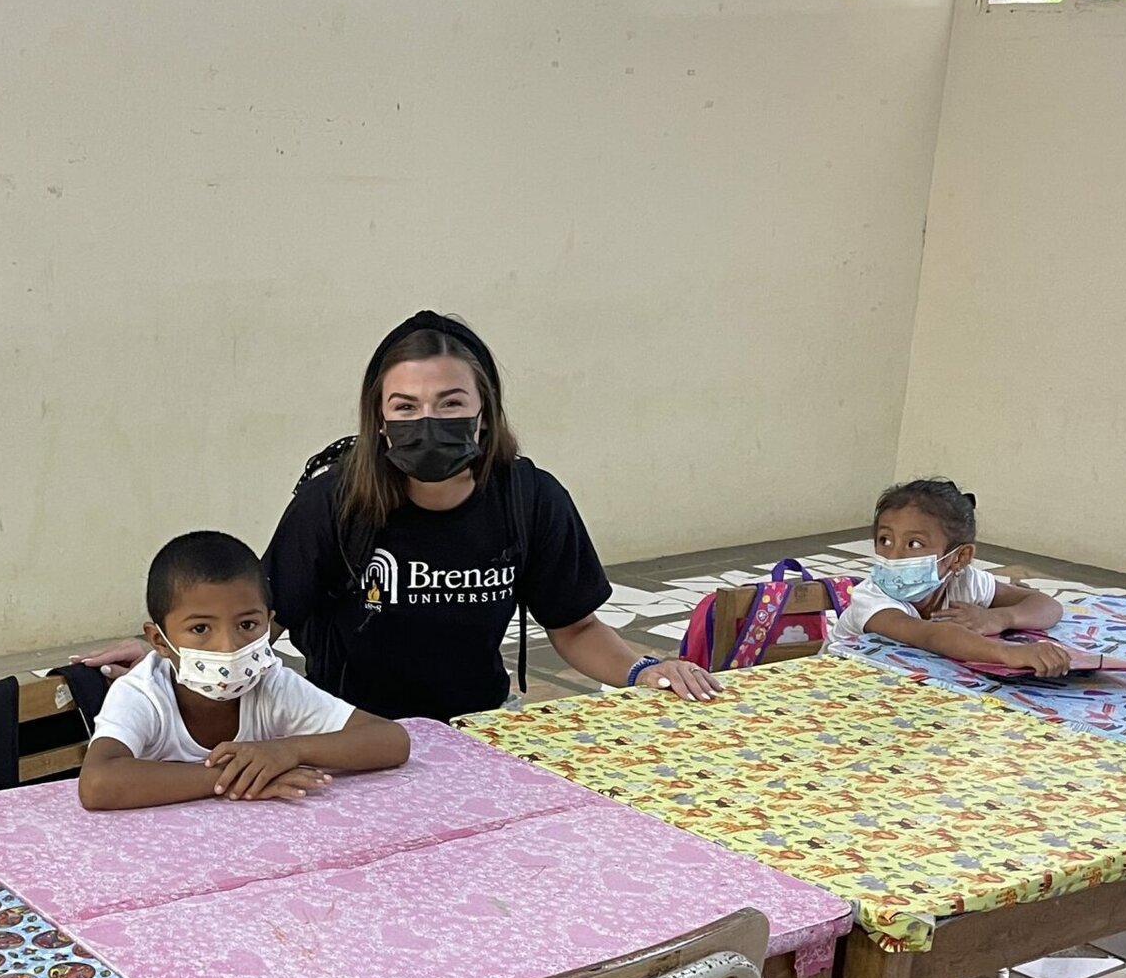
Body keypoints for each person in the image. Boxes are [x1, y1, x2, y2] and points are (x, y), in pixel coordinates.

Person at [80, 311, 718, 717]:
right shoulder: (334, 502)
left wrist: (644, 669)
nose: (427, 421)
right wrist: (165, 659)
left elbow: (574, 628)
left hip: (478, 725)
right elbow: (258, 623)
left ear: (485, 411)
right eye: (406, 407)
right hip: (346, 727)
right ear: (379, 419)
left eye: (450, 401)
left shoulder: (530, 499)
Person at [80, 531, 410, 810]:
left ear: (269, 622)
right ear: (159, 640)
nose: (229, 646)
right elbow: (97, 784)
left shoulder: (273, 685)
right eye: (200, 629)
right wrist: (239, 777)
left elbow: (390, 740)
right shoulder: (144, 693)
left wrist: (289, 750)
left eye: (247, 624)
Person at [834, 479, 1072, 677]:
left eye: (913, 544)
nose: (894, 555)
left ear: (959, 557)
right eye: (885, 540)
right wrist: (1008, 652)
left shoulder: (966, 582)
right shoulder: (871, 597)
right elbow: (930, 635)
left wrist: (999, 617)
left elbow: (1047, 606)